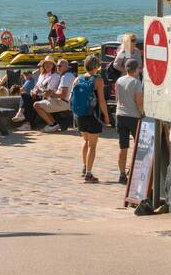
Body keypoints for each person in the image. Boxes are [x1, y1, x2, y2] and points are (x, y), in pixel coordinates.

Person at [71, 55, 110, 183]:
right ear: (97, 66)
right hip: (93, 116)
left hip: (80, 115)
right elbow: (102, 101)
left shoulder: (78, 78)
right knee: (92, 146)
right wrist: (107, 117)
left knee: (86, 141)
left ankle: (84, 167)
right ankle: (89, 174)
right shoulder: (97, 80)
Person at [114, 58, 144, 183]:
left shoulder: (119, 80)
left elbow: (117, 98)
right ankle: (132, 170)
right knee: (138, 146)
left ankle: (122, 173)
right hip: (133, 116)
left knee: (123, 146)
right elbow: (139, 101)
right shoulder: (136, 82)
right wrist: (143, 113)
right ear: (136, 69)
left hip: (120, 114)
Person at [12, 58, 57, 130]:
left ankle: (23, 117)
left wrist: (37, 91)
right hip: (39, 95)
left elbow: (49, 90)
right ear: (43, 65)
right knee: (25, 96)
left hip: (48, 97)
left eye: (50, 63)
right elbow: (36, 86)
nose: (47, 65)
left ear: (53, 66)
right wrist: (33, 91)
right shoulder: (42, 75)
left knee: (27, 99)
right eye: (46, 63)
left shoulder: (54, 76)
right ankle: (25, 120)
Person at [37, 58, 76, 132]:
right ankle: (54, 124)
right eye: (57, 65)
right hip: (67, 102)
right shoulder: (68, 75)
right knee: (44, 100)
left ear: (66, 67)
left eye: (59, 66)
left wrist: (51, 93)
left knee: (36, 105)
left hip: (64, 103)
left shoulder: (65, 77)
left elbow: (63, 95)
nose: (57, 67)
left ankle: (52, 125)